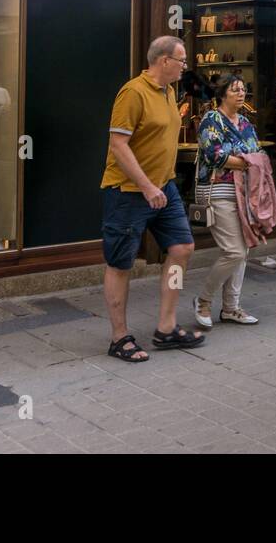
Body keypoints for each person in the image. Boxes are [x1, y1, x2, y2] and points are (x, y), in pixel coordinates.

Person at [101, 36, 204, 362]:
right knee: (121, 263)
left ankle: (166, 326)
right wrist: (146, 186)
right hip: (129, 192)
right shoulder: (133, 92)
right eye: (181, 60)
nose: (185, 66)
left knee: (182, 248)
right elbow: (119, 145)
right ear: (163, 61)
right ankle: (119, 338)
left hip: (165, 187)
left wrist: (159, 185)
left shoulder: (169, 91)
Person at [192, 76, 262, 329]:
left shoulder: (245, 123)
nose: (241, 93)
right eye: (235, 90)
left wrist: (248, 160)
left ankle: (231, 307)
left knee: (242, 249)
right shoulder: (212, 119)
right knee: (234, 251)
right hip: (217, 189)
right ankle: (202, 300)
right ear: (222, 94)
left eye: (244, 89)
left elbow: (257, 151)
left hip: (241, 192)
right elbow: (214, 155)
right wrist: (247, 161)